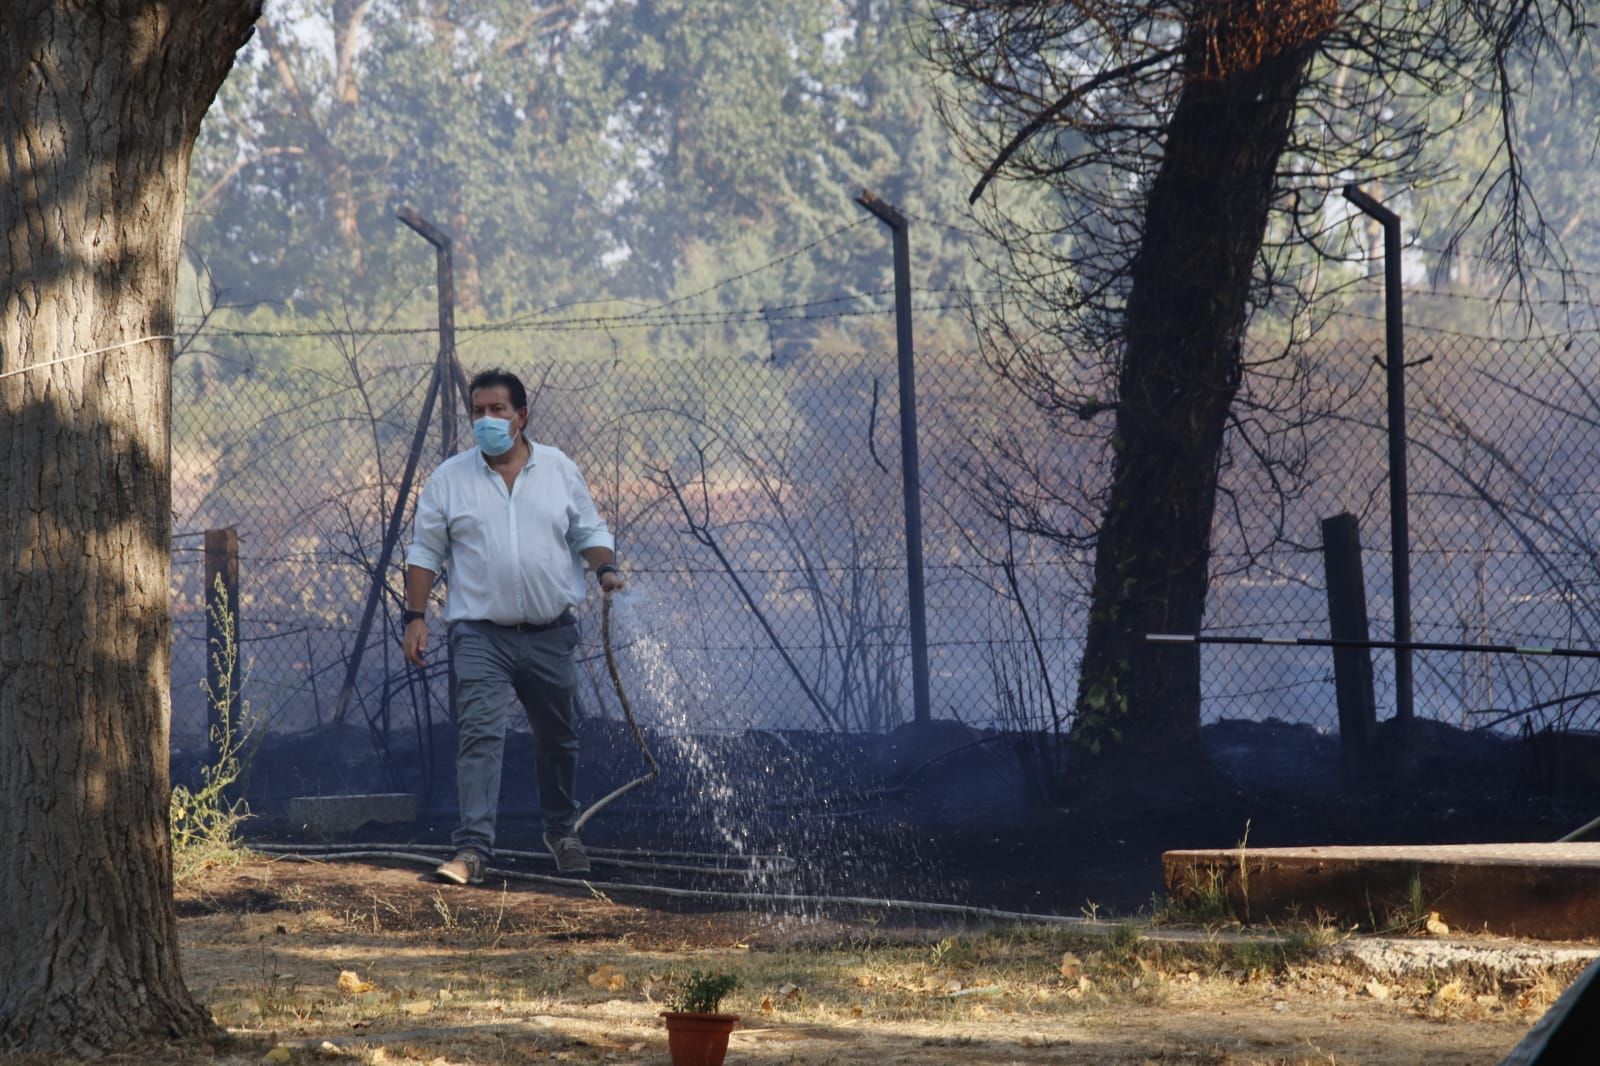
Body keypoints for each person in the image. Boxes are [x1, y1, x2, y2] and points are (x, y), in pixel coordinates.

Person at [402, 367, 625, 884]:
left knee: (559, 738)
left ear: (521, 417)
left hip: (551, 632)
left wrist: (606, 569)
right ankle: (473, 850)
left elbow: (588, 529)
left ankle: (562, 831)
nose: (486, 420)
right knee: (480, 735)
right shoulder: (449, 479)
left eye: (497, 410)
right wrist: (415, 618)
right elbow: (425, 551)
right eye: (478, 411)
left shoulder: (558, 469)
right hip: (480, 635)